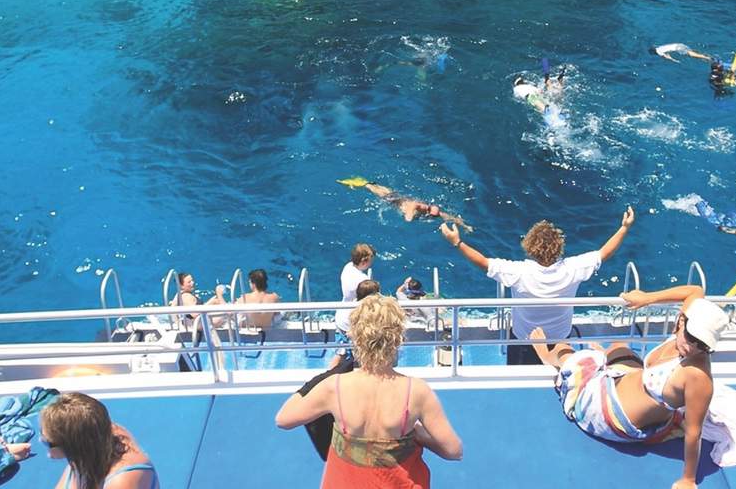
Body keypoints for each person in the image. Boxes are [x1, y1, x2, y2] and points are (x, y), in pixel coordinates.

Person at [531, 284, 728, 489]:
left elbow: (694, 432)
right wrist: (646, 298)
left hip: (608, 412)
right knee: (619, 346)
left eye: (704, 345)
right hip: (626, 378)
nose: (693, 348)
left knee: (565, 350)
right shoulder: (685, 331)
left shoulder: (697, 376)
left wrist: (688, 479)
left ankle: (548, 357)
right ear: (681, 320)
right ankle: (605, 358)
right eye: (693, 338)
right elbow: (695, 291)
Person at [276, 295, 464, 488]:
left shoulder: (334, 387)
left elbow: (284, 419)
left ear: (355, 337)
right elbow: (454, 451)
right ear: (398, 338)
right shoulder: (417, 392)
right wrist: (416, 433)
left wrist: (319, 379)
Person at [439, 206, 635, 365]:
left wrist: (457, 243)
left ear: (529, 247)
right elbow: (604, 253)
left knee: (520, 376)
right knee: (558, 373)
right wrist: (624, 228)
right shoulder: (574, 268)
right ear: (559, 247)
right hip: (560, 339)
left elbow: (483, 262)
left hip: (524, 339)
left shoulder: (518, 272)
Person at [44, 392, 159, 489]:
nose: (41, 439)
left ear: (74, 446)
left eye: (48, 442)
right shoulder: (96, 434)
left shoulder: (122, 481)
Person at [339, 177, 473, 232]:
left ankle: (371, 183)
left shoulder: (435, 213)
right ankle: (365, 184)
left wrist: (465, 226)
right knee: (381, 194)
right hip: (395, 201)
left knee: (387, 192)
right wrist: (409, 217)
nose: (430, 215)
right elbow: (411, 209)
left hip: (399, 198)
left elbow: (451, 217)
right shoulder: (420, 206)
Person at [206, 268, 282, 334]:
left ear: (253, 284)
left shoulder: (246, 298)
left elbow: (228, 312)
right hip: (267, 327)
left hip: (250, 328)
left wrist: (219, 295)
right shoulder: (274, 297)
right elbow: (277, 314)